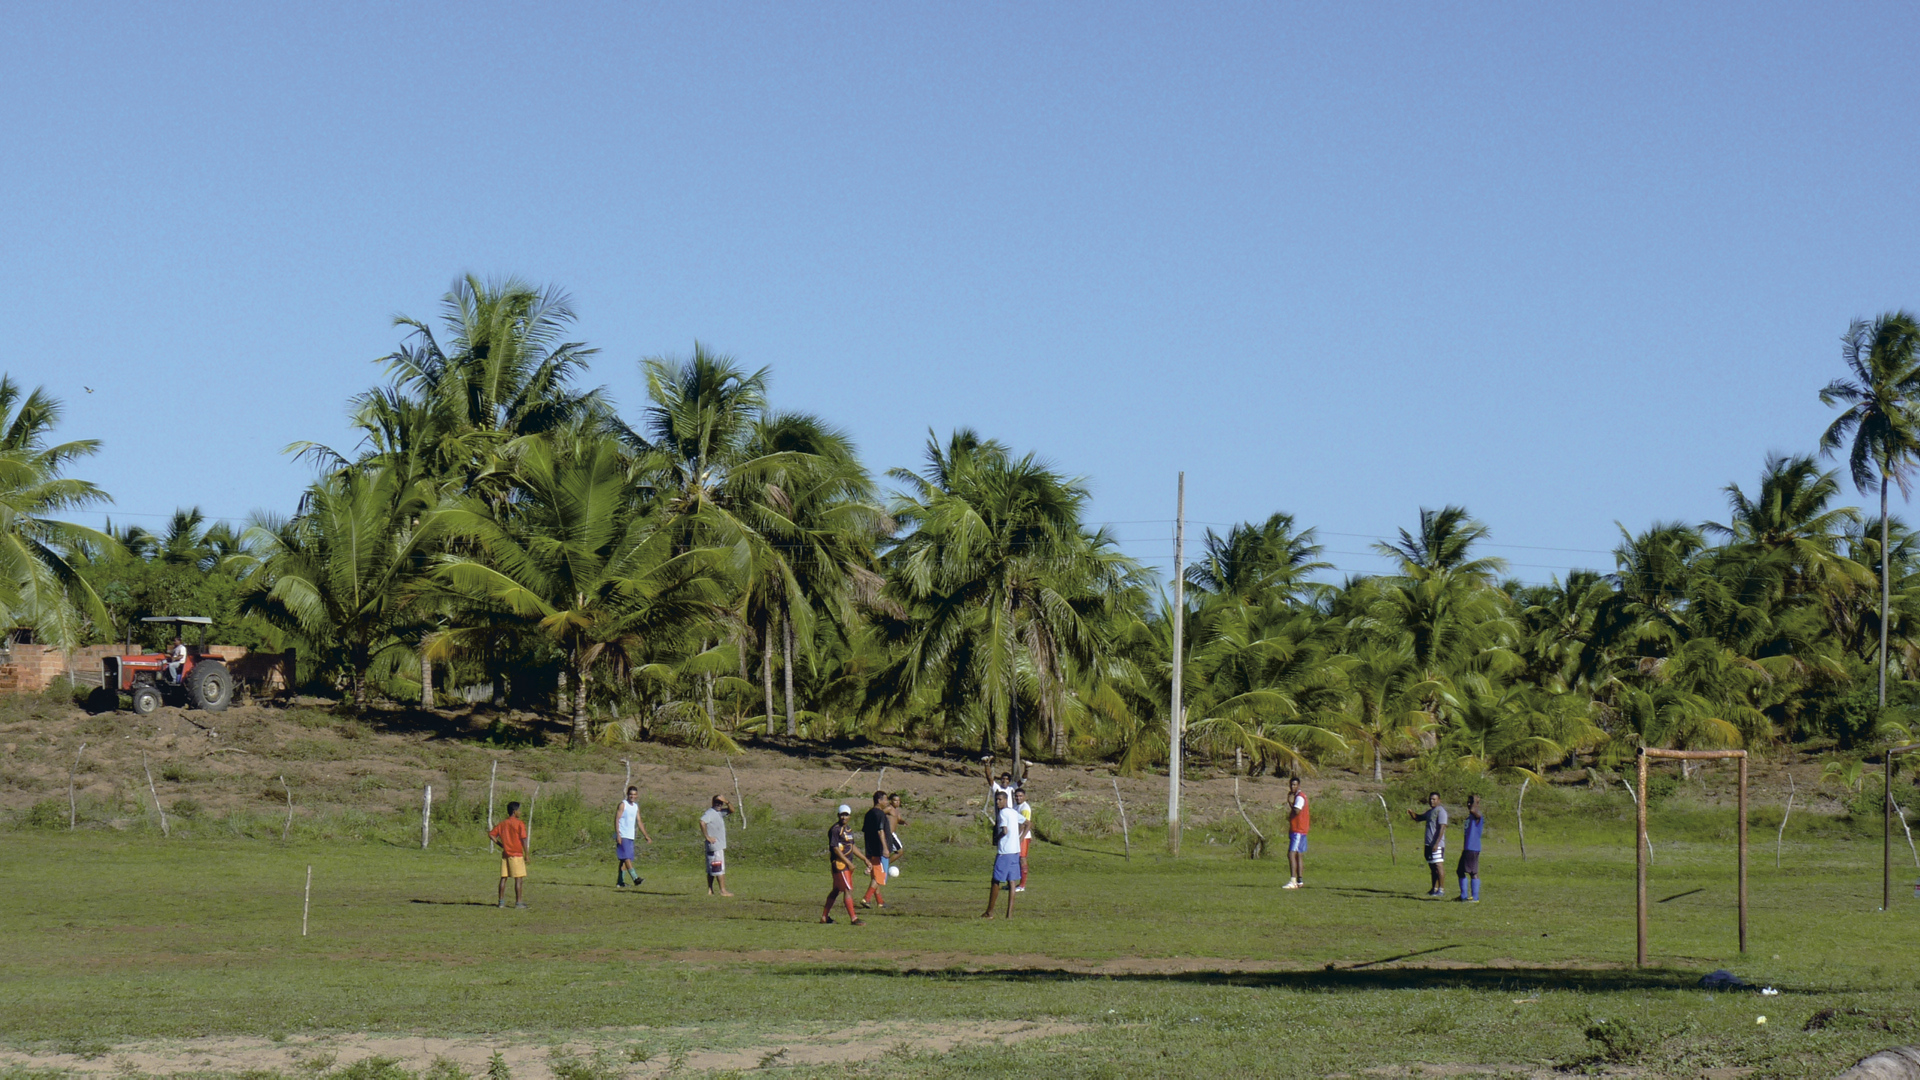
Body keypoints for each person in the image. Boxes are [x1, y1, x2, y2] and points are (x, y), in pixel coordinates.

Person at [981, 790, 1025, 919]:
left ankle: (989, 912)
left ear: (1006, 800)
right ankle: (1009, 914)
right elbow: (1027, 823)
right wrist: (1019, 838)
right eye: (996, 799)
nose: (997, 802)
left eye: (1000, 799)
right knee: (1012, 882)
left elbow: (1005, 830)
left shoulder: (1003, 813)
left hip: (1005, 852)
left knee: (996, 881)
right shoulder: (1013, 812)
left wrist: (997, 839)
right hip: (1015, 851)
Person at [821, 804, 864, 925]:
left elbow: (851, 846)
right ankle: (854, 918)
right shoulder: (835, 830)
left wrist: (864, 859)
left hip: (844, 864)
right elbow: (835, 848)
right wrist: (848, 863)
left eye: (846, 815)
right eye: (842, 815)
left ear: (850, 816)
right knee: (847, 889)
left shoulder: (848, 830)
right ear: (838, 815)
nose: (844, 817)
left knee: (836, 890)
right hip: (840, 864)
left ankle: (824, 917)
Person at [489, 801, 529, 908]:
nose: (520, 812)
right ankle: (518, 902)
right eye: (519, 810)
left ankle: (501, 902)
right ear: (514, 812)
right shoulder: (519, 823)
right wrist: (527, 854)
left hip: (506, 854)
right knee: (518, 879)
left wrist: (501, 845)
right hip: (517, 854)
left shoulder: (503, 823)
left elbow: (491, 835)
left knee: (504, 878)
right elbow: (524, 839)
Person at [1408, 792, 1449, 898]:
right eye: (1430, 799)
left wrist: (1436, 843)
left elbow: (1442, 828)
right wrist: (1412, 813)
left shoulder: (1441, 812)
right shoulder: (1430, 812)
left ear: (1439, 800)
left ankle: (1441, 889)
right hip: (1428, 844)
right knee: (1432, 866)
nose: (1432, 801)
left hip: (1437, 844)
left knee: (1438, 865)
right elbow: (1418, 818)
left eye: (1434, 799)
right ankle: (1434, 888)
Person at [613, 786, 652, 888]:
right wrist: (618, 834)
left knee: (625, 860)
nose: (632, 796)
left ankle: (620, 882)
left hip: (630, 835)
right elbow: (617, 819)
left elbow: (639, 821)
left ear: (637, 795)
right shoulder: (623, 805)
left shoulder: (635, 807)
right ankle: (635, 878)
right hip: (623, 835)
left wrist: (646, 835)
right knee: (627, 857)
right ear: (627, 794)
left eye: (634, 794)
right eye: (631, 794)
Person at [860, 791, 890, 909]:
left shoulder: (868, 814)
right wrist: (885, 848)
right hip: (879, 851)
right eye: (885, 799)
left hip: (871, 850)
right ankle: (866, 898)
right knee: (879, 877)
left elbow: (866, 833)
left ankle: (880, 901)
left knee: (875, 876)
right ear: (879, 800)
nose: (887, 802)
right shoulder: (880, 814)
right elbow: (880, 831)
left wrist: (867, 851)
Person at [699, 796, 733, 897]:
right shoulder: (710, 813)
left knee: (711, 869)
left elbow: (732, 810)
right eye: (717, 803)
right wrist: (707, 836)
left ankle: (710, 890)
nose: (719, 805)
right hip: (715, 846)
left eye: (721, 803)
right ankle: (723, 890)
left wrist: (727, 801)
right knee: (718, 869)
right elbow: (702, 822)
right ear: (713, 803)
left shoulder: (719, 812)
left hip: (715, 846)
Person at [1456, 793, 1484, 902]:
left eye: (1471, 802)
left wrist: (1474, 803)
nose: (1468, 804)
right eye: (1467, 802)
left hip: (1473, 848)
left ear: (1477, 803)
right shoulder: (1470, 816)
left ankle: (1474, 897)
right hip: (1467, 848)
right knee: (1460, 871)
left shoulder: (1477, 815)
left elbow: (1476, 814)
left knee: (1473, 873)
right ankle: (1463, 896)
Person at [1283, 776, 1310, 889]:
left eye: (1294, 785)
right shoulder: (1300, 796)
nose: (1292, 787)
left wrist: (1290, 802)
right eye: (1291, 785)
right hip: (1301, 829)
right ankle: (1300, 881)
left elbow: (1297, 810)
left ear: (1298, 785)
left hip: (1298, 829)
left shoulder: (1299, 797)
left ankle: (1293, 880)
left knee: (1291, 853)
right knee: (1299, 854)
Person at [883, 792, 907, 876]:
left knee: (886, 852)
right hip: (889, 834)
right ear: (891, 801)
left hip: (892, 834)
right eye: (895, 800)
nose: (897, 802)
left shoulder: (896, 810)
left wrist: (903, 822)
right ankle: (884, 865)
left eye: (898, 801)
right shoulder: (889, 808)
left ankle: (882, 866)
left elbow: (898, 819)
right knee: (899, 851)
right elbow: (879, 813)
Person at [1013, 787, 1033, 892]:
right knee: (1015, 859)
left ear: (1025, 797)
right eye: (1016, 796)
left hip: (1023, 837)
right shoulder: (1016, 806)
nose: (1018, 798)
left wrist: (1020, 837)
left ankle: (1022, 885)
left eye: (1020, 796)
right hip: (1016, 836)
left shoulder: (1025, 808)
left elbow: (1025, 824)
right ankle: (1013, 883)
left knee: (1022, 858)